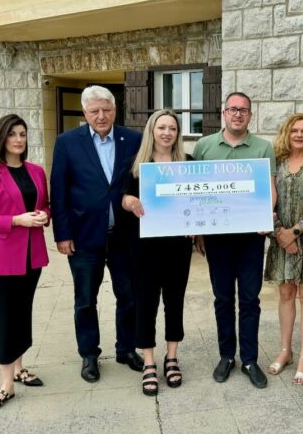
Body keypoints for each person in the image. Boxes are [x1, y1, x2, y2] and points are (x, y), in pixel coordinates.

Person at [50, 85, 143, 383]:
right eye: (94, 111)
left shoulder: (134, 139)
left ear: (115, 110)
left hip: (124, 235)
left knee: (128, 296)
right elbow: (59, 190)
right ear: (85, 113)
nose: (101, 116)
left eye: (106, 109)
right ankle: (89, 355)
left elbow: (143, 180)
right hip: (83, 236)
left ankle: (126, 349)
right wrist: (62, 234)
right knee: (86, 300)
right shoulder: (67, 142)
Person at [193, 92, 277, 389]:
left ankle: (250, 359)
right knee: (223, 299)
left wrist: (266, 216)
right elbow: (194, 192)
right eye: (232, 109)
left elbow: (270, 189)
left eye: (243, 110)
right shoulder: (204, 147)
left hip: (251, 239)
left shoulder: (263, 148)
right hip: (217, 239)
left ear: (250, 116)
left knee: (250, 300)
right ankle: (227, 355)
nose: (237, 114)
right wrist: (197, 231)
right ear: (223, 113)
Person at [0, 114, 50, 415]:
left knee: (21, 314)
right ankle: (6, 385)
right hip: (1, 261)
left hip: (31, 257)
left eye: (23, 134)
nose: (19, 139)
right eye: (12, 134)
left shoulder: (37, 172)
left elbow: (44, 206)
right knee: (3, 319)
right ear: (1, 138)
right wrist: (16, 220)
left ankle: (18, 368)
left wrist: (43, 215)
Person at [120, 109, 193, 396]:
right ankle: (149, 361)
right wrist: (127, 200)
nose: (166, 133)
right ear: (152, 131)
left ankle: (171, 357)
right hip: (144, 247)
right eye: (161, 127)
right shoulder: (136, 165)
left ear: (178, 134)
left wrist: (196, 223)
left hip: (178, 245)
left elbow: (198, 201)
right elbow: (121, 198)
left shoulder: (188, 163)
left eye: (172, 128)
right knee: (146, 303)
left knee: (174, 301)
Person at [264, 113, 303, 385]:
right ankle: (286, 350)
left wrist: (295, 231)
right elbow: (266, 198)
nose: (299, 135)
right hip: (280, 238)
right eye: (294, 130)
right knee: (286, 292)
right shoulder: (275, 161)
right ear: (286, 133)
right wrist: (279, 233)